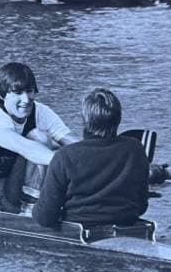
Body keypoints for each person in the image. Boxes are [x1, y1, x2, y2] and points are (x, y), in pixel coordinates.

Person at [0, 62, 80, 212]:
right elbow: (21, 146)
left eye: (29, 91)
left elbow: (72, 142)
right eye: (18, 93)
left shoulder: (40, 111)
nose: (26, 100)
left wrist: (96, 158)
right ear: (2, 95)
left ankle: (28, 209)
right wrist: (63, 163)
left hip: (8, 192)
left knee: (39, 137)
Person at [32, 88, 150, 226]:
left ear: (85, 120)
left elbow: (45, 218)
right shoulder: (135, 148)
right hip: (128, 226)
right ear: (118, 119)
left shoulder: (64, 157)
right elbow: (141, 206)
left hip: (79, 233)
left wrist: (33, 210)